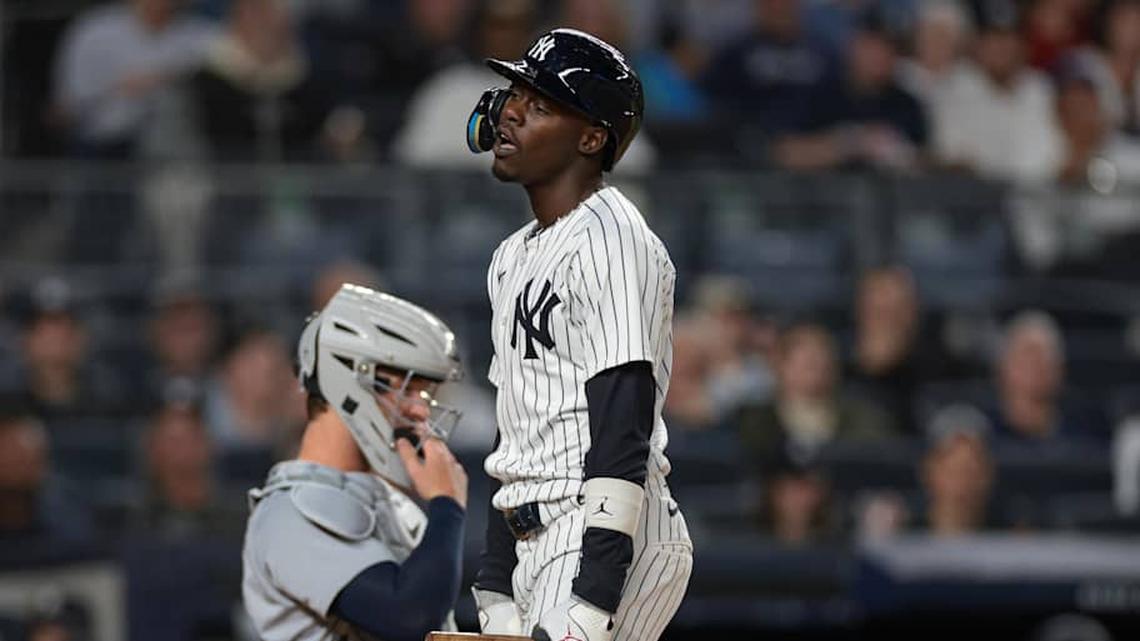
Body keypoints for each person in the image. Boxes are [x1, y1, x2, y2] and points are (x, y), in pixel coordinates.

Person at [465, 28, 692, 641]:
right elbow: (518, 425)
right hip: (536, 533)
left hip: (601, 535)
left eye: (538, 105)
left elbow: (624, 419)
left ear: (592, 138)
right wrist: (493, 572)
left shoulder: (614, 240)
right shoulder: (511, 257)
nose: (510, 112)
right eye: (514, 95)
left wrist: (593, 597)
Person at [241, 284, 468, 641]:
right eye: (406, 389)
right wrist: (448, 505)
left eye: (423, 393)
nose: (420, 409)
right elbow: (409, 617)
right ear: (347, 380)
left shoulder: (392, 504)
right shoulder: (289, 513)